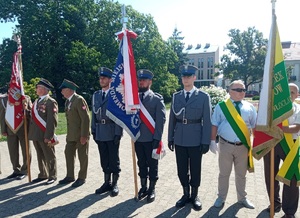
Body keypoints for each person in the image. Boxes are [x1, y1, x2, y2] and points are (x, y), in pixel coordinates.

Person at [168, 65, 212, 211]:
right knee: (181, 169)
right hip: (179, 138)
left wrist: (206, 141)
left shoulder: (203, 97)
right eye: (184, 76)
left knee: (195, 169)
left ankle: (194, 196)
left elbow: (207, 121)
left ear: (194, 78)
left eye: (189, 76)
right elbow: (172, 119)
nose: (186, 79)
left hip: (195, 139)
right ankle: (185, 194)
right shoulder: (176, 96)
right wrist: (170, 138)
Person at [210, 79, 256, 209]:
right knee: (224, 173)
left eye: (243, 90)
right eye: (238, 90)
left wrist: (257, 143)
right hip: (225, 145)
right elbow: (214, 123)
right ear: (229, 91)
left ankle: (242, 198)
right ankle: (221, 197)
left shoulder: (249, 107)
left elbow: (254, 126)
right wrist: (212, 141)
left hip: (243, 146)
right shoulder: (221, 106)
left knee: (241, 174)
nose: (242, 92)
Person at [263, 83, 299, 218]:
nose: (290, 95)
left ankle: (289, 211)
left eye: (293, 92)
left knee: (292, 177)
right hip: (272, 143)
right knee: (270, 174)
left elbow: (296, 128)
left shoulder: (298, 109)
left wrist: (278, 128)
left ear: (297, 95)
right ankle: (274, 203)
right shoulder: (272, 109)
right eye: (287, 92)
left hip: (291, 144)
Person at [135, 69, 166, 203]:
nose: (141, 82)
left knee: (152, 165)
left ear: (150, 82)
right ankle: (143, 187)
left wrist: (157, 138)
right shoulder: (133, 98)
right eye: (140, 80)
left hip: (151, 138)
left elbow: (161, 120)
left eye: (144, 80)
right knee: (141, 163)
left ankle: (152, 189)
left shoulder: (156, 99)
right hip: (137, 138)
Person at [91, 67, 123, 197]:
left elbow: (119, 115)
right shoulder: (96, 95)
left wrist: (118, 133)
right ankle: (106, 182)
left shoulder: (116, 95)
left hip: (111, 131)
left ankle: (114, 184)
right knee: (104, 159)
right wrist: (93, 130)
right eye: (100, 78)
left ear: (110, 80)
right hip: (99, 131)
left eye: (104, 78)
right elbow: (93, 113)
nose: (101, 80)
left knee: (113, 159)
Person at [59, 79, 90, 188]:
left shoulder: (79, 100)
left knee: (82, 156)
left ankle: (82, 177)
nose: (61, 92)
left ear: (69, 90)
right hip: (71, 135)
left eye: (63, 89)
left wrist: (84, 135)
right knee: (68, 153)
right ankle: (70, 176)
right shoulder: (68, 101)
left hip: (80, 135)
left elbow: (85, 119)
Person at [28, 78, 58, 185]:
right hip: (36, 134)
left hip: (45, 133)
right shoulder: (36, 101)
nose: (36, 89)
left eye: (38, 87)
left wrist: (49, 136)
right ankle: (43, 174)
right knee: (40, 155)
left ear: (45, 89)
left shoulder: (50, 102)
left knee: (49, 155)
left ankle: (52, 175)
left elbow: (52, 121)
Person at [0, 90, 32, 180]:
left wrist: (26, 109)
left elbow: (31, 112)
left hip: (23, 128)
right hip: (10, 129)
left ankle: (25, 170)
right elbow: (2, 115)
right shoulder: (3, 100)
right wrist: (3, 129)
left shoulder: (25, 98)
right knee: (12, 151)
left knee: (26, 150)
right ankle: (16, 170)